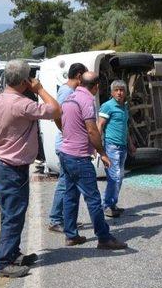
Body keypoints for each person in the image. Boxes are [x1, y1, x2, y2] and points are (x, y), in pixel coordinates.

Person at [0, 59, 61, 278]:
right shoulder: (22, 105)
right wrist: (40, 89)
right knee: (14, 215)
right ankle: (3, 262)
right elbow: (56, 110)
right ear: (25, 81)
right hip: (12, 167)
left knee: (9, 212)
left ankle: (12, 253)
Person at [58, 71, 128, 249]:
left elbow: (58, 118)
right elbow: (92, 129)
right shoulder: (87, 100)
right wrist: (101, 151)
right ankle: (104, 237)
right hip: (79, 157)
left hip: (65, 154)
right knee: (94, 199)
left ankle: (71, 235)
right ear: (96, 86)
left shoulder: (69, 97)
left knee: (70, 195)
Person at [47, 62, 88, 232]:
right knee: (65, 183)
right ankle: (56, 219)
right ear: (79, 76)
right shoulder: (67, 92)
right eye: (84, 77)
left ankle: (65, 219)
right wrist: (67, 132)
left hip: (67, 144)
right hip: (66, 145)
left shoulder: (68, 90)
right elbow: (58, 114)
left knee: (69, 183)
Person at [97, 80, 136, 218]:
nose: (119, 93)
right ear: (112, 92)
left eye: (122, 90)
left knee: (119, 176)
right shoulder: (107, 106)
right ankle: (107, 205)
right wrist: (97, 147)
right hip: (111, 147)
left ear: (125, 92)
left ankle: (112, 204)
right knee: (114, 177)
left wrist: (130, 144)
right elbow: (99, 126)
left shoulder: (124, 107)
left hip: (123, 147)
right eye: (116, 90)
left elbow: (125, 128)